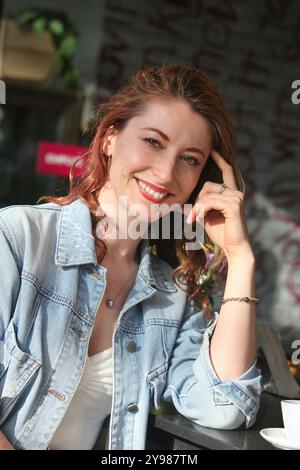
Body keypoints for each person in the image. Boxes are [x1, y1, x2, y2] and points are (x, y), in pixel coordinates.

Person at [0, 64, 262, 450]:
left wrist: (240, 259)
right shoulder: (18, 239)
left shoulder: (172, 298)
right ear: (109, 138)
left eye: (189, 158)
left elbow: (225, 405)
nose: (165, 171)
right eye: (153, 142)